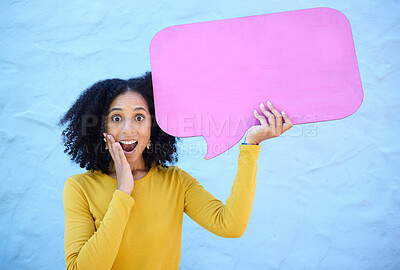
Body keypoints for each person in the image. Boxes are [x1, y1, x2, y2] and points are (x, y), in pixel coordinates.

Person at [59, 71, 293, 269]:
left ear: (154, 126)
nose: (128, 130)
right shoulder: (80, 187)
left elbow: (230, 225)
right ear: (100, 126)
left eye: (139, 117)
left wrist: (250, 145)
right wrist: (123, 192)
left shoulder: (175, 181)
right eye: (116, 118)